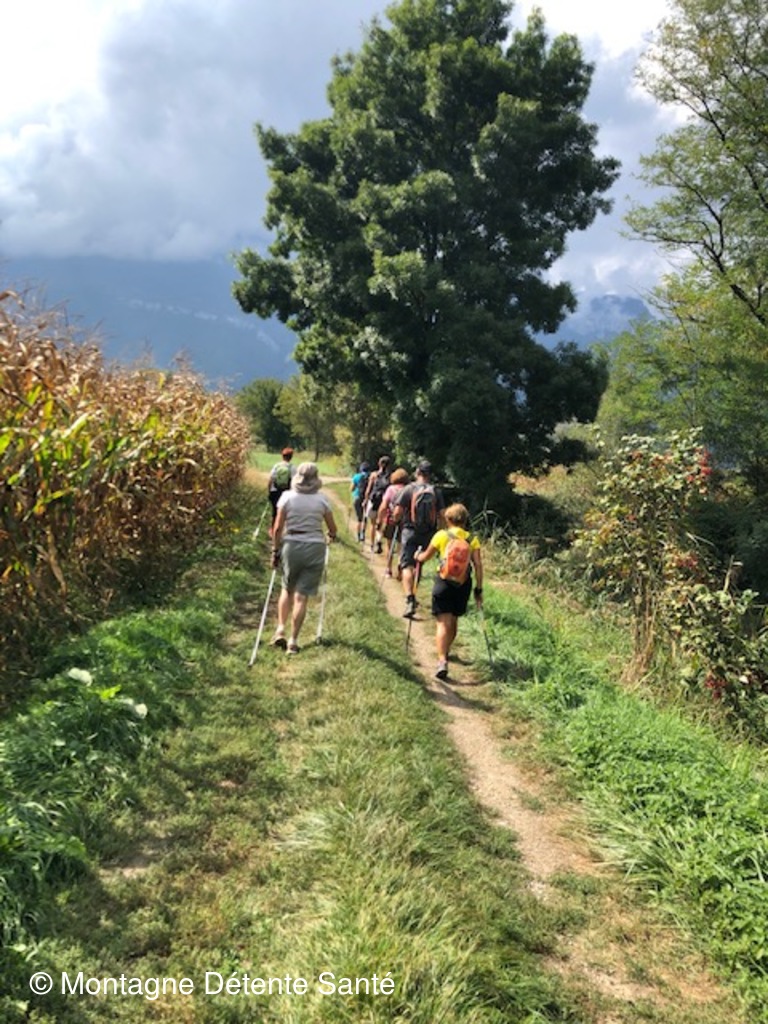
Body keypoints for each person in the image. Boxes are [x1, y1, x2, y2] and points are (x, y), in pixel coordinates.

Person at [269, 462, 337, 654]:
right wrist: (330, 536)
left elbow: (277, 528)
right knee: (301, 596)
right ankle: (293, 641)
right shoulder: (322, 500)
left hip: (292, 544)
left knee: (287, 588)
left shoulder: (287, 497)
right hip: (315, 546)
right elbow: (332, 528)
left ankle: (280, 629)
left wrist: (275, 550)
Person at [415, 503, 483, 680]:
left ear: (448, 519)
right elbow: (478, 565)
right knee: (453, 620)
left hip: (443, 582)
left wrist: (417, 556)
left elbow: (425, 557)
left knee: (442, 623)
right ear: (465, 520)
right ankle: (446, 649)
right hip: (463, 584)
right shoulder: (472, 539)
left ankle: (442, 660)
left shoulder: (441, 535)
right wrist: (478, 589)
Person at [393, 460, 445, 618]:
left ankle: (410, 598)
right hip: (428, 533)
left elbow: (397, 513)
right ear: (430, 474)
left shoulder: (409, 489)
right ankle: (414, 591)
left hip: (410, 531)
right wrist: (440, 532)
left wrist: (396, 520)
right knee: (419, 562)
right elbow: (442, 515)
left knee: (407, 565)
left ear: (417, 472)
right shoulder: (435, 491)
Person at [376, 467, 409, 577]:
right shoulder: (408, 489)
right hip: (405, 522)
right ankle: (399, 566)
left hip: (391, 520)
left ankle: (388, 569)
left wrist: (379, 519)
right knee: (401, 547)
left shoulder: (391, 489)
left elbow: (384, 506)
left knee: (389, 546)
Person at [362, 455, 392, 553]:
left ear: (379, 463)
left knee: (373, 524)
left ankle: (372, 545)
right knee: (380, 524)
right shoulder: (391, 477)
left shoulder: (374, 475)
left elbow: (368, 489)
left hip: (373, 501)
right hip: (384, 503)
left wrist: (365, 500)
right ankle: (378, 540)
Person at [267, 447, 296, 533]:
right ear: (291, 457)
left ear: (282, 456)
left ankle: (273, 531)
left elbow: (271, 479)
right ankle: (283, 531)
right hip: (286, 493)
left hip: (275, 491)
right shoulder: (292, 467)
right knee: (286, 513)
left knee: (275, 513)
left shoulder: (276, 466)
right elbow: (294, 482)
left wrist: (269, 491)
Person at [350, 461, 371, 543]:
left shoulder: (356, 476)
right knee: (365, 518)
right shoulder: (371, 477)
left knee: (359, 519)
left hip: (357, 498)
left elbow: (351, 489)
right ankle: (363, 534)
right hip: (367, 499)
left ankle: (358, 536)